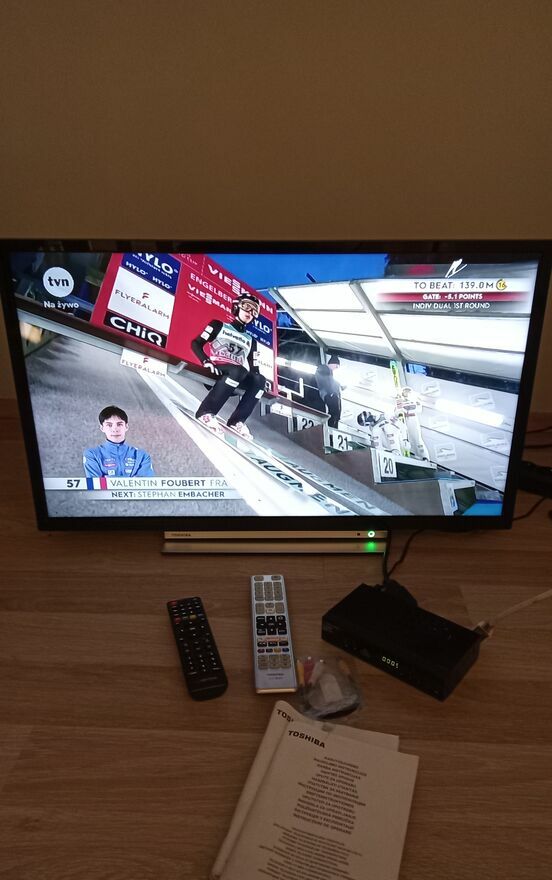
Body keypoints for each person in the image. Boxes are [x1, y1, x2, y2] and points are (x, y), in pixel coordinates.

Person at [190, 293, 266, 440]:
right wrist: (206, 361)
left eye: (254, 310)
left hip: (236, 376)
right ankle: (205, 413)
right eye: (246, 306)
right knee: (239, 370)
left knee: (260, 380)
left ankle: (237, 421)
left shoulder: (251, 341)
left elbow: (254, 368)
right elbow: (196, 343)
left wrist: (260, 383)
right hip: (217, 370)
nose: (250, 312)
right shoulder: (218, 325)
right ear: (237, 307)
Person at [83, 406, 154, 477]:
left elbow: (145, 483)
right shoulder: (92, 455)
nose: (115, 429)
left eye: (119, 424)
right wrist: (132, 479)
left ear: (126, 426)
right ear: (102, 428)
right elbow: (95, 483)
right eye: (109, 425)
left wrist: (107, 478)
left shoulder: (142, 456)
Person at [314, 354, 342, 428]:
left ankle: (332, 426)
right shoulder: (323, 369)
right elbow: (326, 382)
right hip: (327, 394)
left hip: (328, 393)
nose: (336, 368)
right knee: (334, 411)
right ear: (332, 363)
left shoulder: (327, 371)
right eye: (336, 366)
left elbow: (330, 381)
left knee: (334, 412)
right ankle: (331, 427)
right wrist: (331, 392)